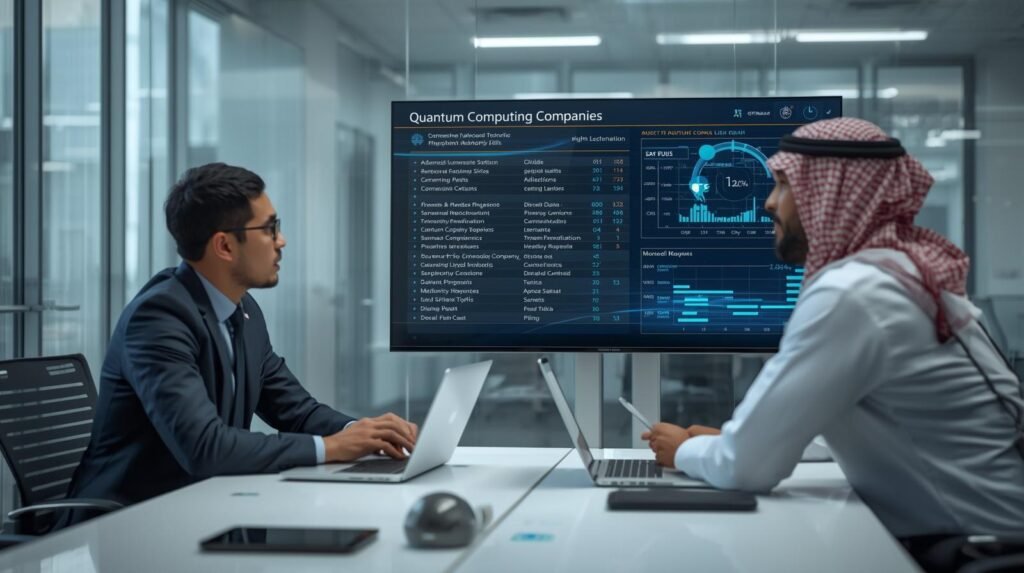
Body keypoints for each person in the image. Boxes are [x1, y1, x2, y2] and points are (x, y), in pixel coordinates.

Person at [643, 118, 1024, 542]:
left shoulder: (854, 294)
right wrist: (742, 439)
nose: (769, 203)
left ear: (833, 195)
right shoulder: (894, 276)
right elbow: (884, 420)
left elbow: (745, 469)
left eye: (785, 185)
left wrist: (686, 452)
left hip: (979, 552)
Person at [67, 163, 418, 512]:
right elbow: (206, 448)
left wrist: (364, 432)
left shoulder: (242, 310)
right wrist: (332, 447)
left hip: (202, 509)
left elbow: (295, 410)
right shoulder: (159, 318)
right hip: (126, 525)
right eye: (269, 229)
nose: (282, 241)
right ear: (224, 246)